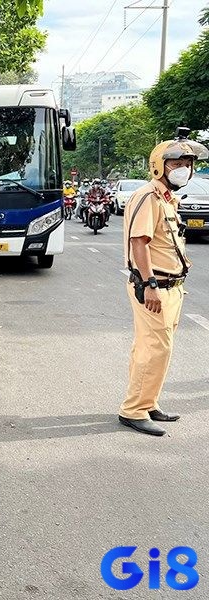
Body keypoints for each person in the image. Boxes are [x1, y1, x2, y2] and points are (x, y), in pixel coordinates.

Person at [119, 134, 208, 436]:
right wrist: (150, 284)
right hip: (154, 286)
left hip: (173, 287)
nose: (184, 168)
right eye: (177, 163)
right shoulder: (148, 197)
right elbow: (139, 243)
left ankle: (147, 402)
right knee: (155, 349)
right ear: (159, 166)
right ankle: (133, 410)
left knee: (154, 348)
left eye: (188, 163)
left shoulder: (167, 199)